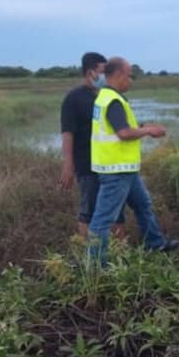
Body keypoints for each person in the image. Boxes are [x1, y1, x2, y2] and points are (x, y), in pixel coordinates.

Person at [88, 57, 179, 265]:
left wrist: (143, 125)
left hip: (125, 168)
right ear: (119, 75)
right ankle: (94, 267)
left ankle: (155, 244)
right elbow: (123, 132)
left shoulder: (108, 97)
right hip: (116, 170)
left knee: (143, 204)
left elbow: (122, 125)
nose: (130, 80)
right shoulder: (112, 100)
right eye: (129, 75)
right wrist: (148, 130)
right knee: (103, 219)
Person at [59, 52, 124, 238]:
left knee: (116, 212)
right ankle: (87, 256)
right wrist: (68, 164)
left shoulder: (107, 95)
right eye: (104, 71)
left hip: (110, 164)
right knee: (88, 211)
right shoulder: (73, 99)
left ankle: (120, 257)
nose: (107, 75)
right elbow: (67, 133)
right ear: (91, 72)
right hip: (87, 164)